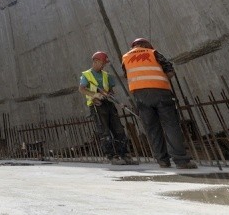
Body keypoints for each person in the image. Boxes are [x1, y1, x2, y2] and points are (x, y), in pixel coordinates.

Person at [121, 38, 197, 169]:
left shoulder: (125, 58)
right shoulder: (153, 53)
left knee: (152, 129)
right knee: (171, 125)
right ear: (145, 45)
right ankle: (181, 160)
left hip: (140, 96)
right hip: (160, 92)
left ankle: (162, 160)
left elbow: (127, 75)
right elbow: (170, 71)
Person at [79, 51, 135, 165]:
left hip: (108, 103)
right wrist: (95, 95)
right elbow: (82, 89)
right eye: (102, 63)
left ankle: (124, 154)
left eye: (104, 63)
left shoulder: (106, 75)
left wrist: (112, 96)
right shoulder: (87, 75)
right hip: (97, 105)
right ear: (95, 61)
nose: (103, 65)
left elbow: (110, 91)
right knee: (104, 131)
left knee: (118, 129)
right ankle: (112, 156)